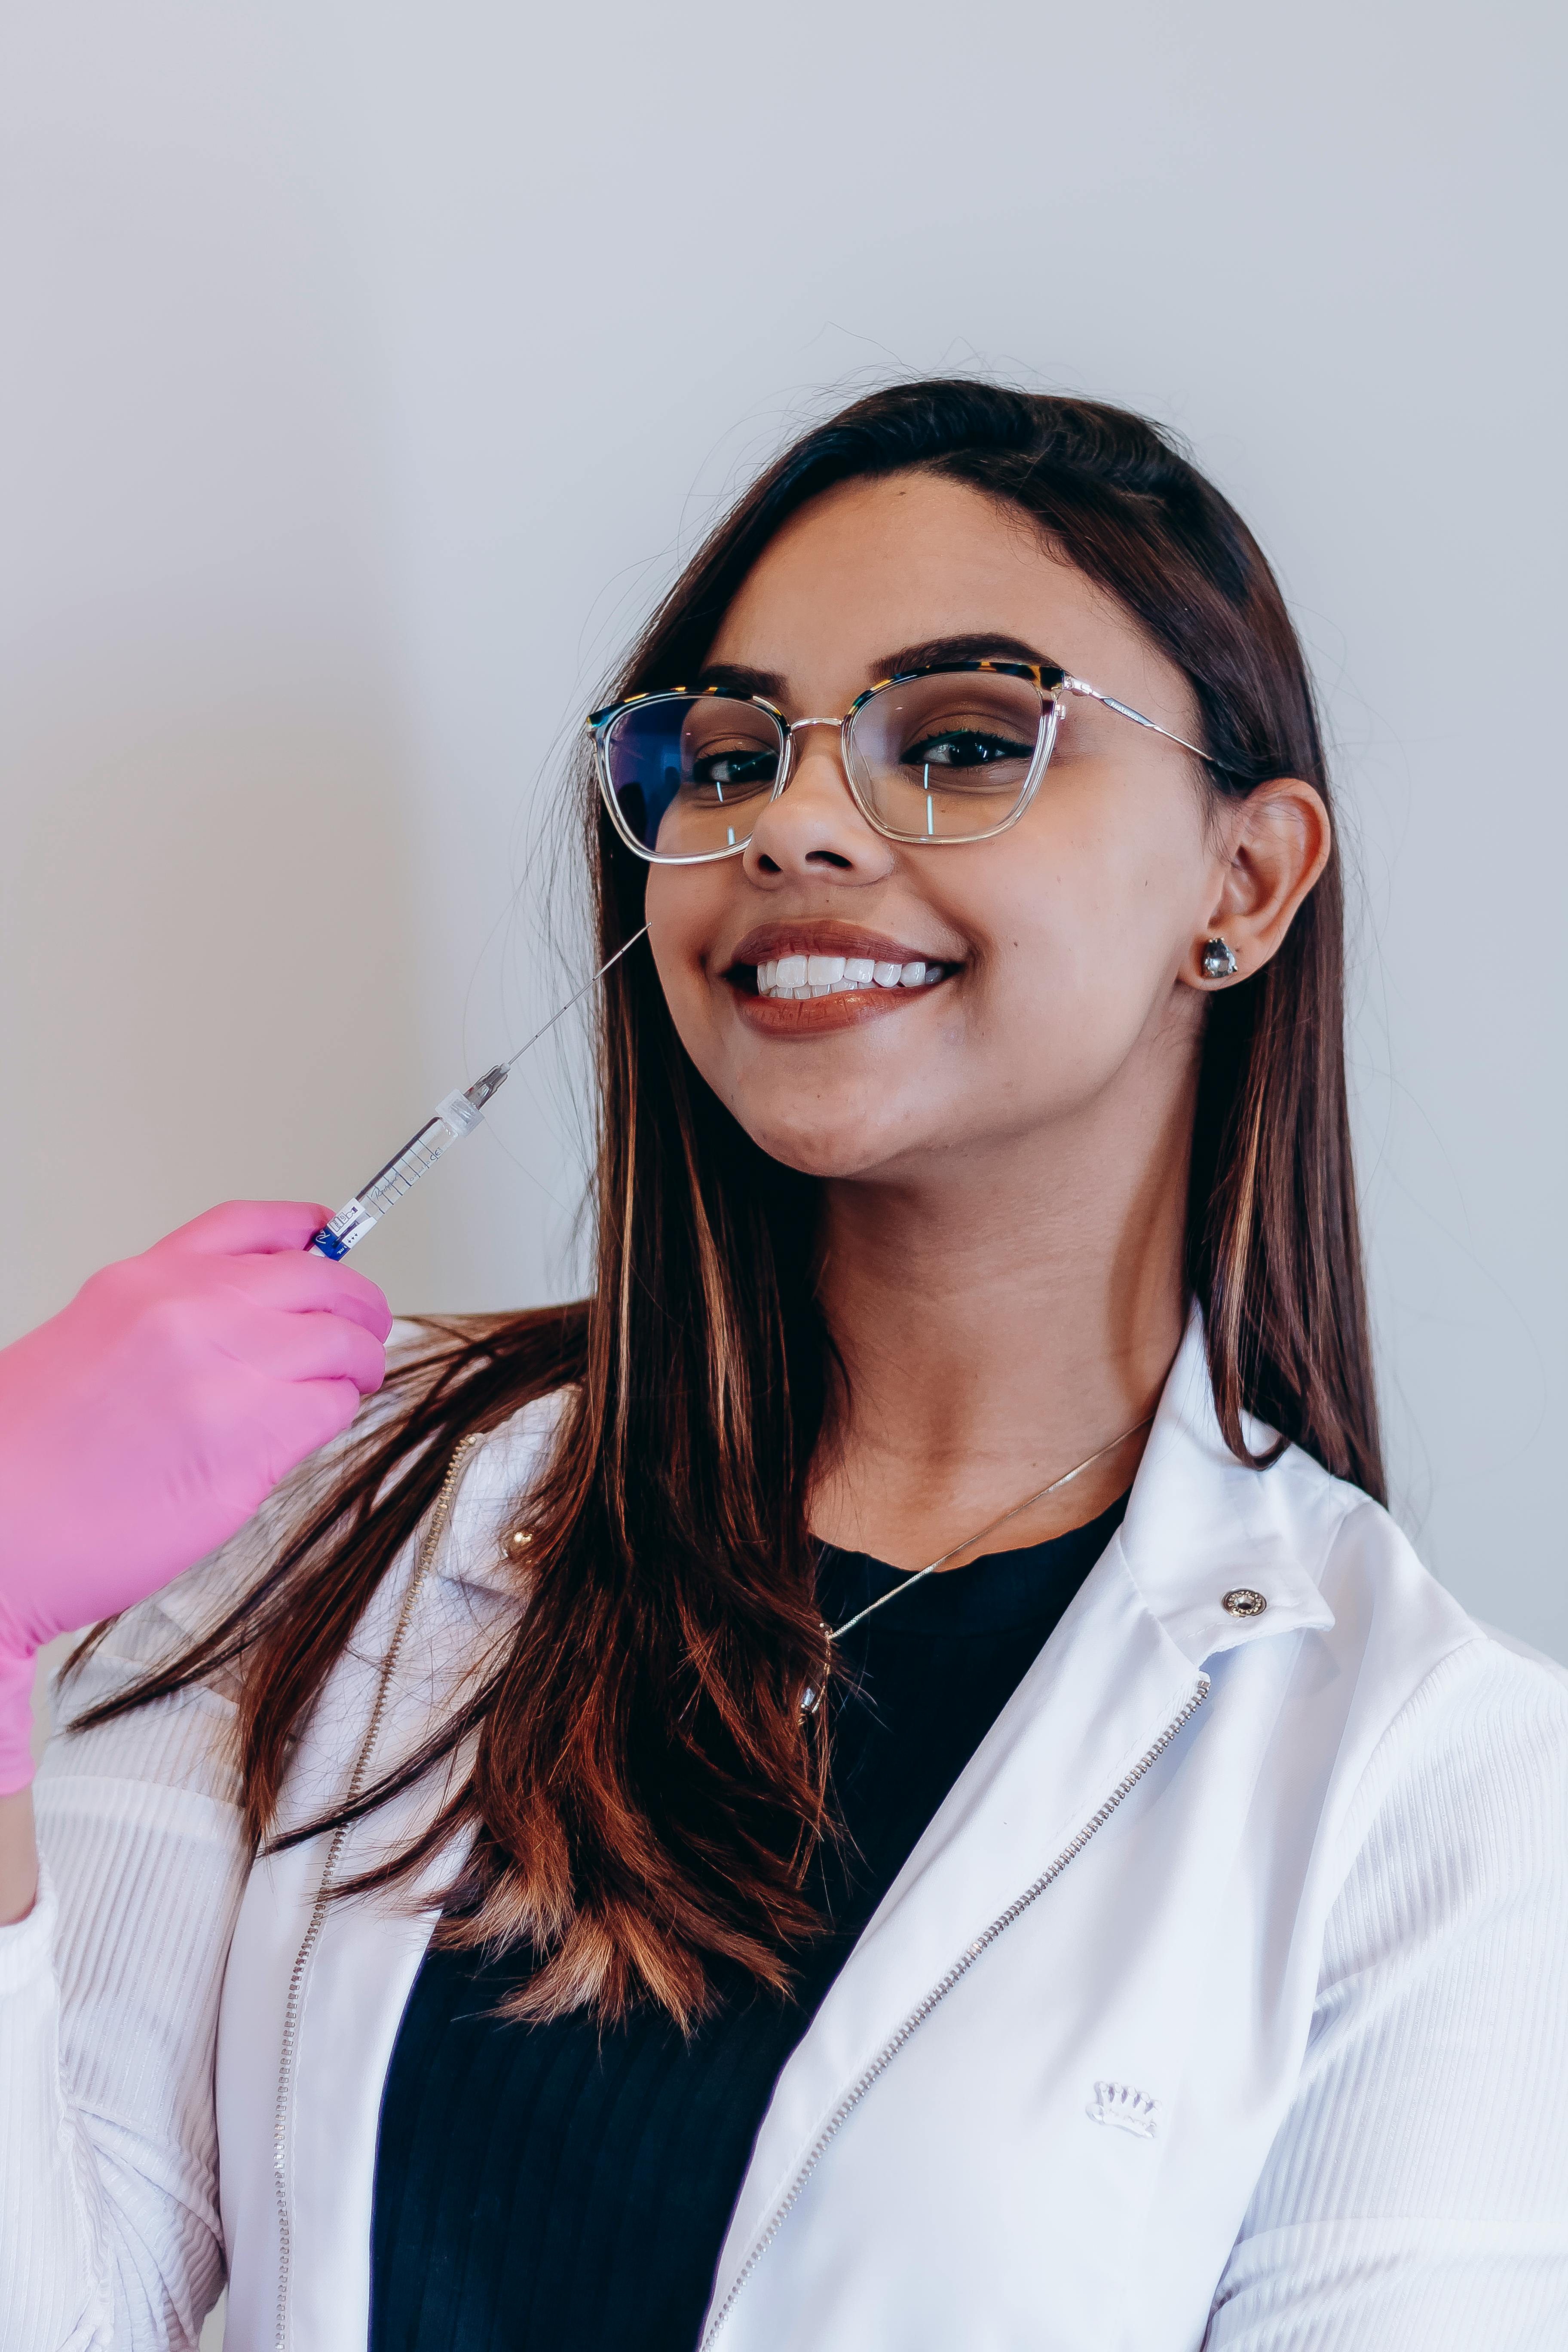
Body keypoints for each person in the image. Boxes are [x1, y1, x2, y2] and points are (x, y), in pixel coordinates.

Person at [2, 380, 1565, 2352]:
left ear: (1241, 885)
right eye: (728, 758)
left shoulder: (1439, 1792)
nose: (797, 824)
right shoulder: (352, 1508)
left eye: (973, 739)